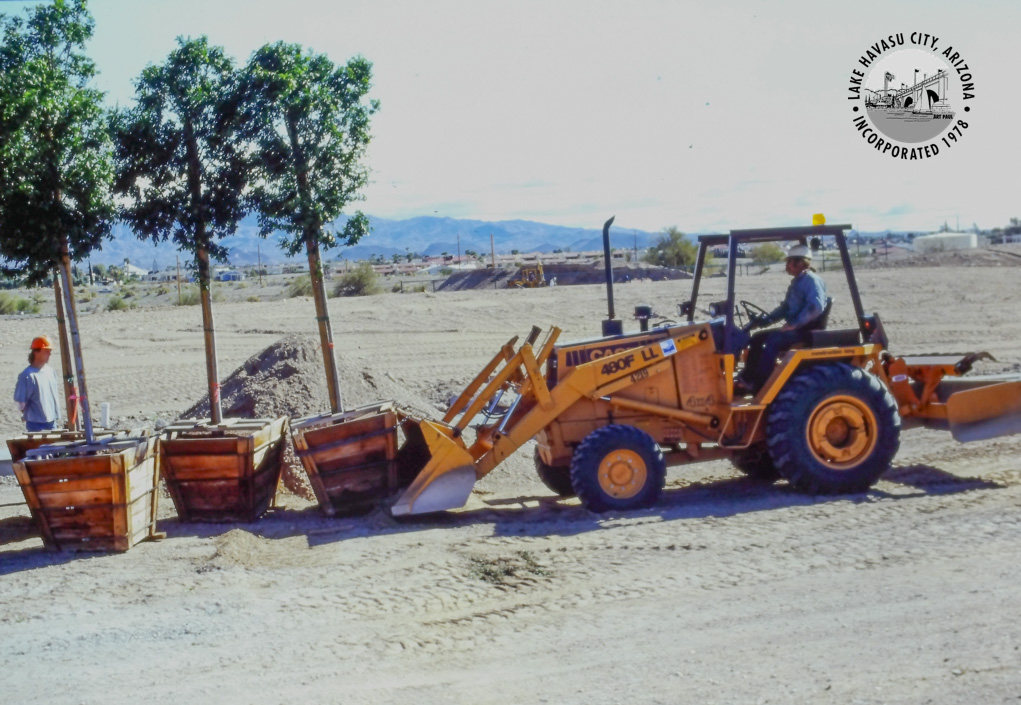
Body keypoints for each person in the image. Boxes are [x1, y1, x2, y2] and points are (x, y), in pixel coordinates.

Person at [735, 245, 828, 394]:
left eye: (788, 262)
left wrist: (794, 324)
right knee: (757, 339)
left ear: (799, 262)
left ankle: (761, 384)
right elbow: (785, 308)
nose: (786, 266)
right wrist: (765, 320)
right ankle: (748, 378)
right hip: (796, 327)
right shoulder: (798, 281)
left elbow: (815, 307)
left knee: (773, 341)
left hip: (806, 330)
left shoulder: (811, 281)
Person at [14, 336, 62, 432]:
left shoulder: (51, 372)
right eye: (46, 351)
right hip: (35, 424)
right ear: (36, 352)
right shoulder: (27, 375)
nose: (49, 354)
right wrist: (27, 413)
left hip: (52, 421)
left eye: (50, 351)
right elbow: (20, 402)